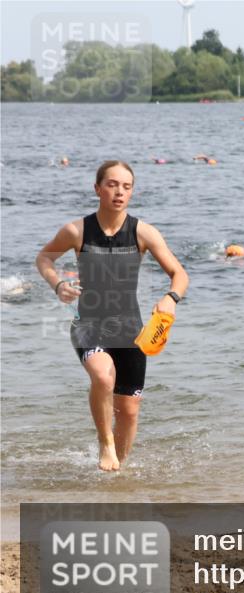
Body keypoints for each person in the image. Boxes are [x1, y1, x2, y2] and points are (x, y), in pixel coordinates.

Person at [35, 161, 189, 472]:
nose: (119, 192)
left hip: (130, 329)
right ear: (97, 188)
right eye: (112, 184)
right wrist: (58, 285)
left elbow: (179, 273)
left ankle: (114, 475)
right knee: (104, 376)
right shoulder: (76, 231)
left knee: (129, 410)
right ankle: (105, 443)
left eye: (127, 186)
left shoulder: (143, 232)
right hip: (88, 323)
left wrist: (171, 298)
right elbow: (44, 257)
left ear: (132, 192)